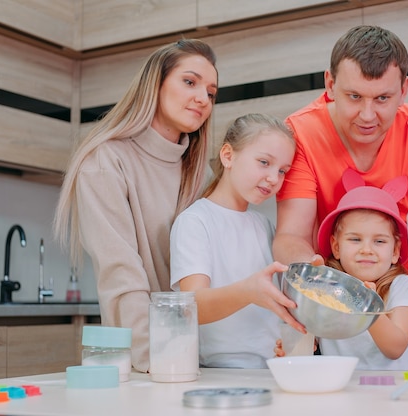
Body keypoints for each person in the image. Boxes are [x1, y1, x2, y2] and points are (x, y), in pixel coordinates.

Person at [272, 25, 408, 370]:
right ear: (330, 84)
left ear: (404, 89)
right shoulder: (301, 133)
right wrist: (321, 285)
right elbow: (291, 236)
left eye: (383, 98)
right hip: (334, 284)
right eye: (354, 97)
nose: (368, 115)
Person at [53, 39, 219, 373]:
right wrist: (159, 360)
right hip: (151, 361)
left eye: (212, 92)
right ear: (154, 85)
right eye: (190, 82)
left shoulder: (199, 173)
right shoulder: (104, 162)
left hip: (201, 359)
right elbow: (122, 276)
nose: (203, 99)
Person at [170, 113, 300, 369]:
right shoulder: (195, 221)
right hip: (217, 373)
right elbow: (192, 307)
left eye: (282, 170)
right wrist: (248, 291)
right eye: (264, 162)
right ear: (228, 155)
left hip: (271, 370)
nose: (274, 178)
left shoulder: (264, 226)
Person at [275, 169, 408, 370]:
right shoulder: (328, 292)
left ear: (395, 251)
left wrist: (369, 307)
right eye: (355, 239)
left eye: (379, 241)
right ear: (337, 247)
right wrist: (294, 349)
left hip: (389, 391)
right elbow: (308, 340)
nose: (366, 250)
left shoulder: (401, 286)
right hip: (341, 389)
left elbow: (395, 348)